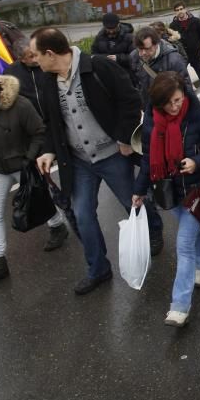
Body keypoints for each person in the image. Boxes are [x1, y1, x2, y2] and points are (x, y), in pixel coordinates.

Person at [30, 27, 163, 294]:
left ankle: (154, 230)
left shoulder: (98, 67)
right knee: (82, 215)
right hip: (78, 162)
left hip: (112, 154)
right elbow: (50, 122)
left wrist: (125, 139)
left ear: (50, 53)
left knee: (133, 202)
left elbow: (130, 101)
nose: (34, 60)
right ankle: (98, 269)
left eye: (36, 55)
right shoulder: (46, 81)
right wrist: (48, 150)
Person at [0, 62, 69, 289]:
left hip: (22, 164)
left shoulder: (18, 103)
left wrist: (29, 158)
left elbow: (40, 131)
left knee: (40, 200)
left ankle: (58, 225)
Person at [132, 72, 200, 326]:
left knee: (183, 245)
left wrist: (198, 161)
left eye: (178, 100)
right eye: (168, 103)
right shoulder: (151, 121)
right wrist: (139, 190)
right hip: (168, 191)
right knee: (190, 235)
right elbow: (148, 159)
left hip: (196, 189)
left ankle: (179, 306)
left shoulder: (196, 115)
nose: (174, 106)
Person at [130, 26, 192, 109]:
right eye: (140, 49)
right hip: (149, 109)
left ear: (156, 44)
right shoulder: (134, 57)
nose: (143, 53)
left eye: (147, 49)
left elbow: (186, 87)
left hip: (170, 108)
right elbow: (135, 83)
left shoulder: (173, 59)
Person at [169, 2, 200, 98]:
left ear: (185, 9)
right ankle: (185, 93)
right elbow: (172, 40)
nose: (180, 11)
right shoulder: (173, 25)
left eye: (181, 9)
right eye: (177, 10)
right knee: (180, 74)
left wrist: (196, 45)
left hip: (195, 53)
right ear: (175, 12)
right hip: (182, 54)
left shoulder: (195, 21)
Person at [4, 38, 50, 119]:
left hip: (55, 118)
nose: (36, 59)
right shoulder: (10, 74)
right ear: (21, 59)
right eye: (31, 56)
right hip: (31, 121)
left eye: (36, 54)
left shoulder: (49, 63)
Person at [91, 13, 135, 79]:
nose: (111, 32)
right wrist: (105, 58)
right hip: (106, 73)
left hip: (125, 73)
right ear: (104, 27)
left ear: (118, 24)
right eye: (108, 29)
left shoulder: (129, 37)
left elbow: (135, 58)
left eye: (113, 29)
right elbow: (93, 55)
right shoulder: (99, 37)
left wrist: (118, 58)